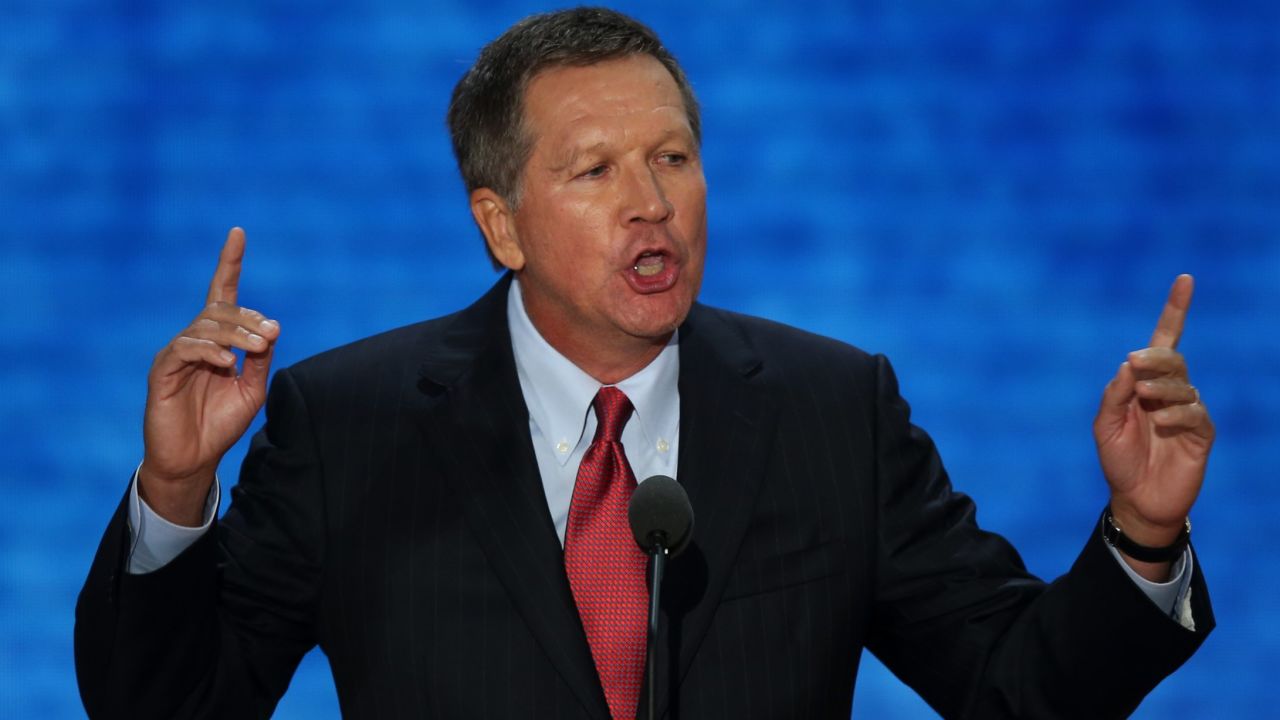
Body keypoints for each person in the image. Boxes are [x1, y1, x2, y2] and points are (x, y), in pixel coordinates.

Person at [75, 7, 1215, 719]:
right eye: (594, 170)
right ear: (501, 223)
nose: (651, 201)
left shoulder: (832, 411)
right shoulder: (350, 425)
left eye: (672, 156)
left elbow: (1015, 689)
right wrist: (175, 492)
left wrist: (1140, 535)